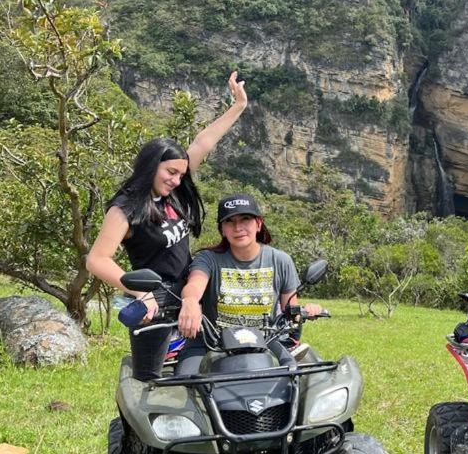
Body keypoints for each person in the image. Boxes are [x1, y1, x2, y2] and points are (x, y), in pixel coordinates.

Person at [86, 71, 248, 380]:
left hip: (191, 291)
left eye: (180, 174)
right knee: (150, 379)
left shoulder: (174, 192)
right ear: (151, 165)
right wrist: (137, 292)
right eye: (170, 172)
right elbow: (96, 259)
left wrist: (237, 105)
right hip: (154, 299)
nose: (176, 180)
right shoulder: (126, 208)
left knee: (209, 365)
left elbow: (204, 142)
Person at [175, 193, 323, 375]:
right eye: (230, 221)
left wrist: (306, 311)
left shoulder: (280, 260)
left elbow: (290, 312)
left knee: (296, 381)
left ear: (258, 224)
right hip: (209, 342)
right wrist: (189, 301)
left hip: (266, 341)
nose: (238, 227)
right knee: (185, 383)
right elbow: (195, 284)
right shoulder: (208, 259)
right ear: (222, 229)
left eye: (245, 219)